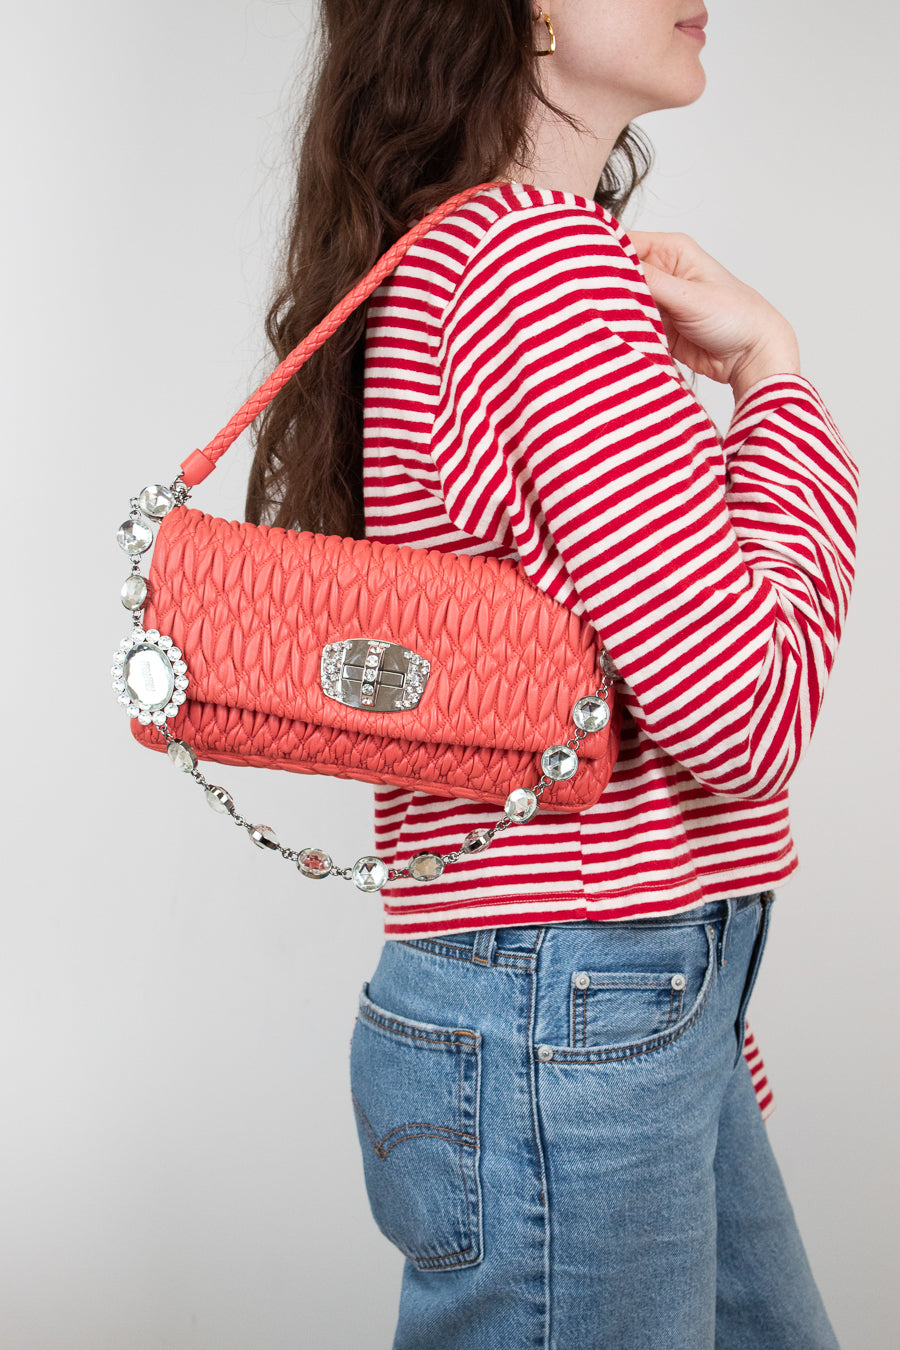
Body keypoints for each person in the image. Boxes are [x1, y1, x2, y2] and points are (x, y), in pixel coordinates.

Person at [246, 3, 857, 1345]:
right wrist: (777, 378)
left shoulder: (459, 256)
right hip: (577, 1006)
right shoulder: (538, 267)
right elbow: (745, 714)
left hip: (578, 995)